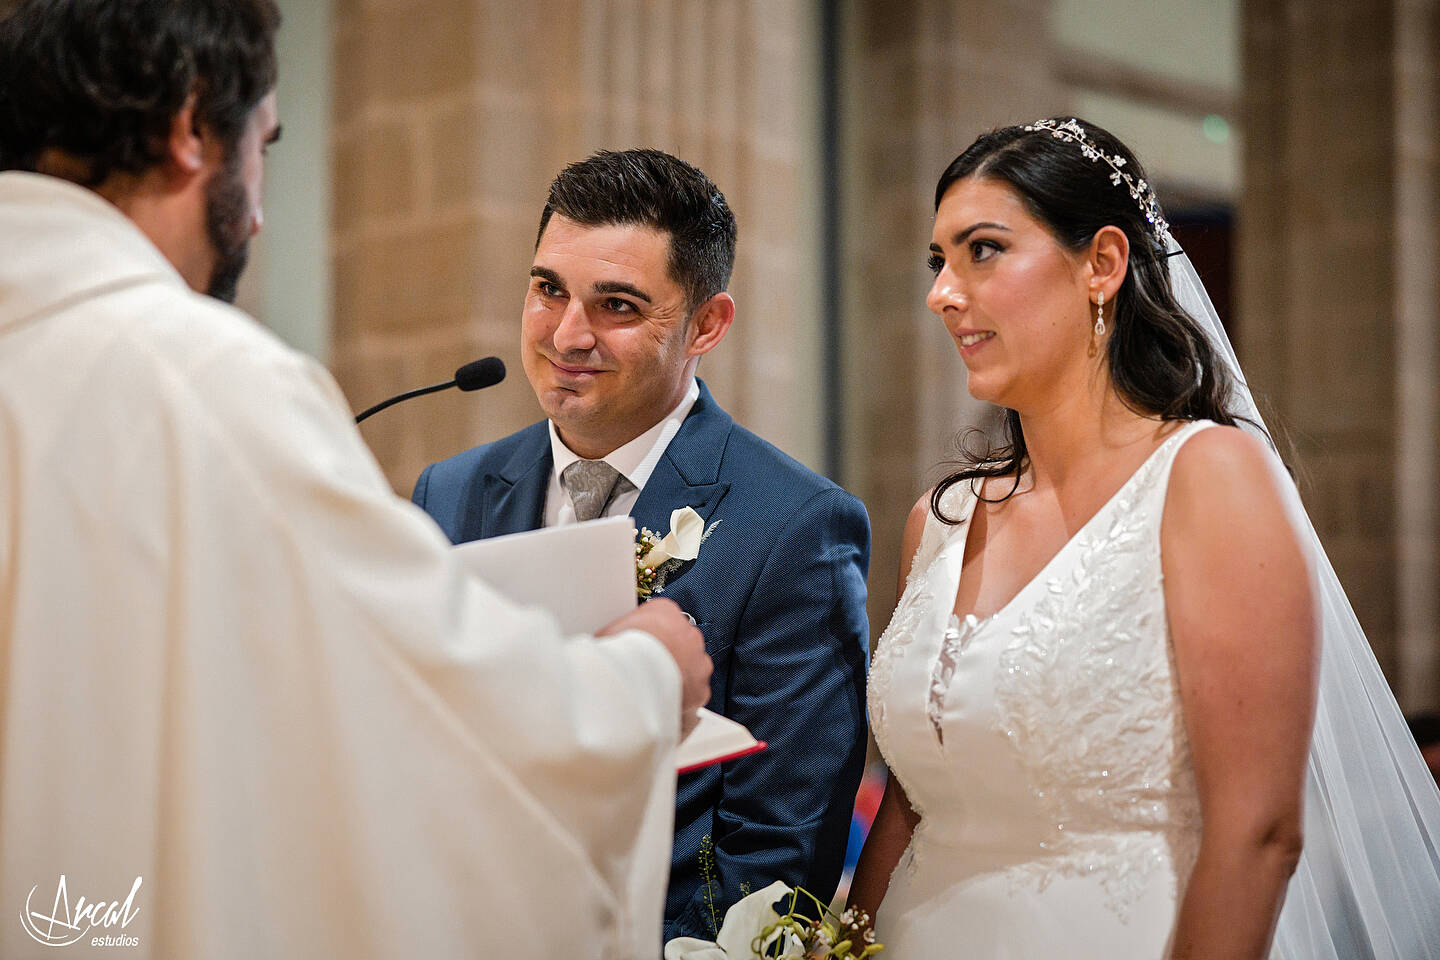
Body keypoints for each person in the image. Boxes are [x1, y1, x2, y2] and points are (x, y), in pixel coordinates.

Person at [0, 2, 713, 957]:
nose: (256, 211)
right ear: (190, 127)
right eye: (264, 147)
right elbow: (428, 715)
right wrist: (641, 681)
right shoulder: (205, 382)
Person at [849, 118, 1440, 958]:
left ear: (1103, 264)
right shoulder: (940, 522)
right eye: (938, 261)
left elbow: (1261, 831)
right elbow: (909, 807)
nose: (945, 291)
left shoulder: (1207, 477)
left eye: (982, 250)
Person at [412, 148, 871, 943]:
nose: (567, 333)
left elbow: (779, 854)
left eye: (617, 305)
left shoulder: (795, 526)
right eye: (548, 289)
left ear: (706, 324)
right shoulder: (449, 494)